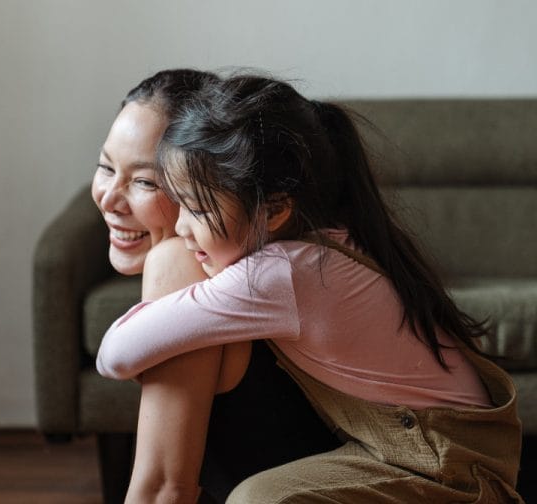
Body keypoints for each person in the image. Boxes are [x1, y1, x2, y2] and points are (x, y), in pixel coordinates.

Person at [97, 74, 525, 503]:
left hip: (445, 462)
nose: (182, 227)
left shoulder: (280, 273)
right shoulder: (320, 242)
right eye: (104, 166)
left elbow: (115, 354)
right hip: (430, 448)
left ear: (277, 208)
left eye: (192, 204)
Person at [92, 69, 337, 503]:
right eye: (105, 167)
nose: (109, 198)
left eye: (145, 181)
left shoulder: (179, 262)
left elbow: (164, 488)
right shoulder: (266, 255)